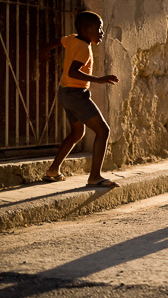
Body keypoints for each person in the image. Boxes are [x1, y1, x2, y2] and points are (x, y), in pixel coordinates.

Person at [40, 11, 121, 187]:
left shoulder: (72, 39)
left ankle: (53, 170)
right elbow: (73, 72)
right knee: (103, 131)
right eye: (98, 28)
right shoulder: (84, 48)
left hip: (65, 94)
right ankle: (95, 177)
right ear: (86, 30)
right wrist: (99, 80)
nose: (102, 32)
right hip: (76, 95)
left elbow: (57, 42)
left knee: (77, 133)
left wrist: (43, 52)